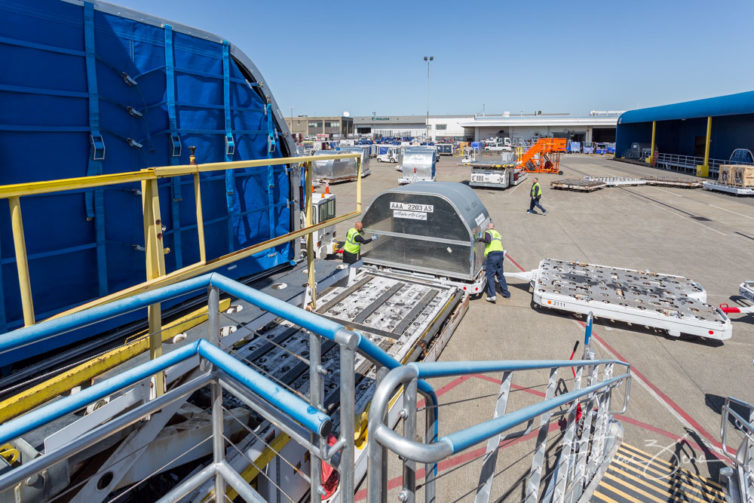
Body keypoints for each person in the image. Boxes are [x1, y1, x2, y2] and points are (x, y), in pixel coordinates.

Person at [479, 222, 510, 303]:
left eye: (487, 225)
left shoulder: (488, 232)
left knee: (490, 275)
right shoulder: (497, 233)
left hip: (492, 255)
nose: (486, 227)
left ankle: (492, 295)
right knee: (500, 275)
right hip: (500, 255)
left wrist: (479, 239)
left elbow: (488, 240)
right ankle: (506, 293)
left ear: (489, 227)